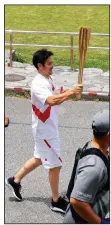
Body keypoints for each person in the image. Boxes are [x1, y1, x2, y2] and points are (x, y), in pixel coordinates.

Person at [5, 49, 83, 213]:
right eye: (49, 64)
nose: (52, 67)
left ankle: (15, 180)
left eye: (52, 63)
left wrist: (66, 95)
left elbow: (54, 99)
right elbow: (51, 100)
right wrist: (70, 92)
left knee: (39, 158)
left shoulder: (48, 78)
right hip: (45, 131)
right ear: (39, 66)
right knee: (55, 165)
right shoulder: (38, 83)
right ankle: (55, 201)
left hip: (46, 127)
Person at [63, 109, 110, 223]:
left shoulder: (94, 146)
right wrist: (100, 222)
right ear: (108, 134)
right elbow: (77, 201)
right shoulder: (95, 166)